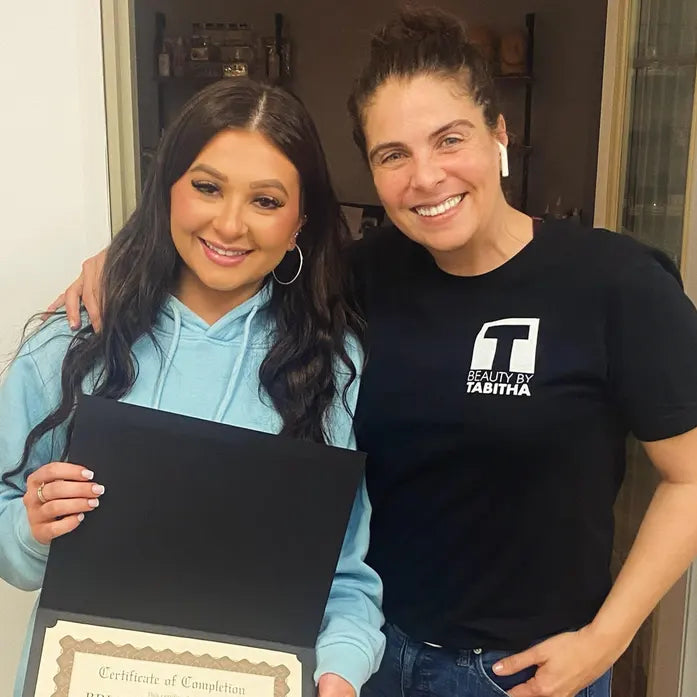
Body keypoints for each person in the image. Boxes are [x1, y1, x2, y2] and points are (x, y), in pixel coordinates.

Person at [52, 8, 697, 697]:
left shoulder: (615, 283)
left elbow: (687, 476)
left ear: (498, 134)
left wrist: (606, 638)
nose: (425, 177)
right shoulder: (355, 278)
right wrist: (120, 265)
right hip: (361, 657)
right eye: (393, 154)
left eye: (449, 140)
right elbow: (229, 256)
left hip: (524, 675)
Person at [0, 78, 385, 697]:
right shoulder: (73, 340)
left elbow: (343, 576)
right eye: (207, 187)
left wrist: (340, 669)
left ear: (299, 223)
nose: (229, 224)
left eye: (265, 200)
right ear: (168, 190)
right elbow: (8, 531)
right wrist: (30, 525)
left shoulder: (328, 365)